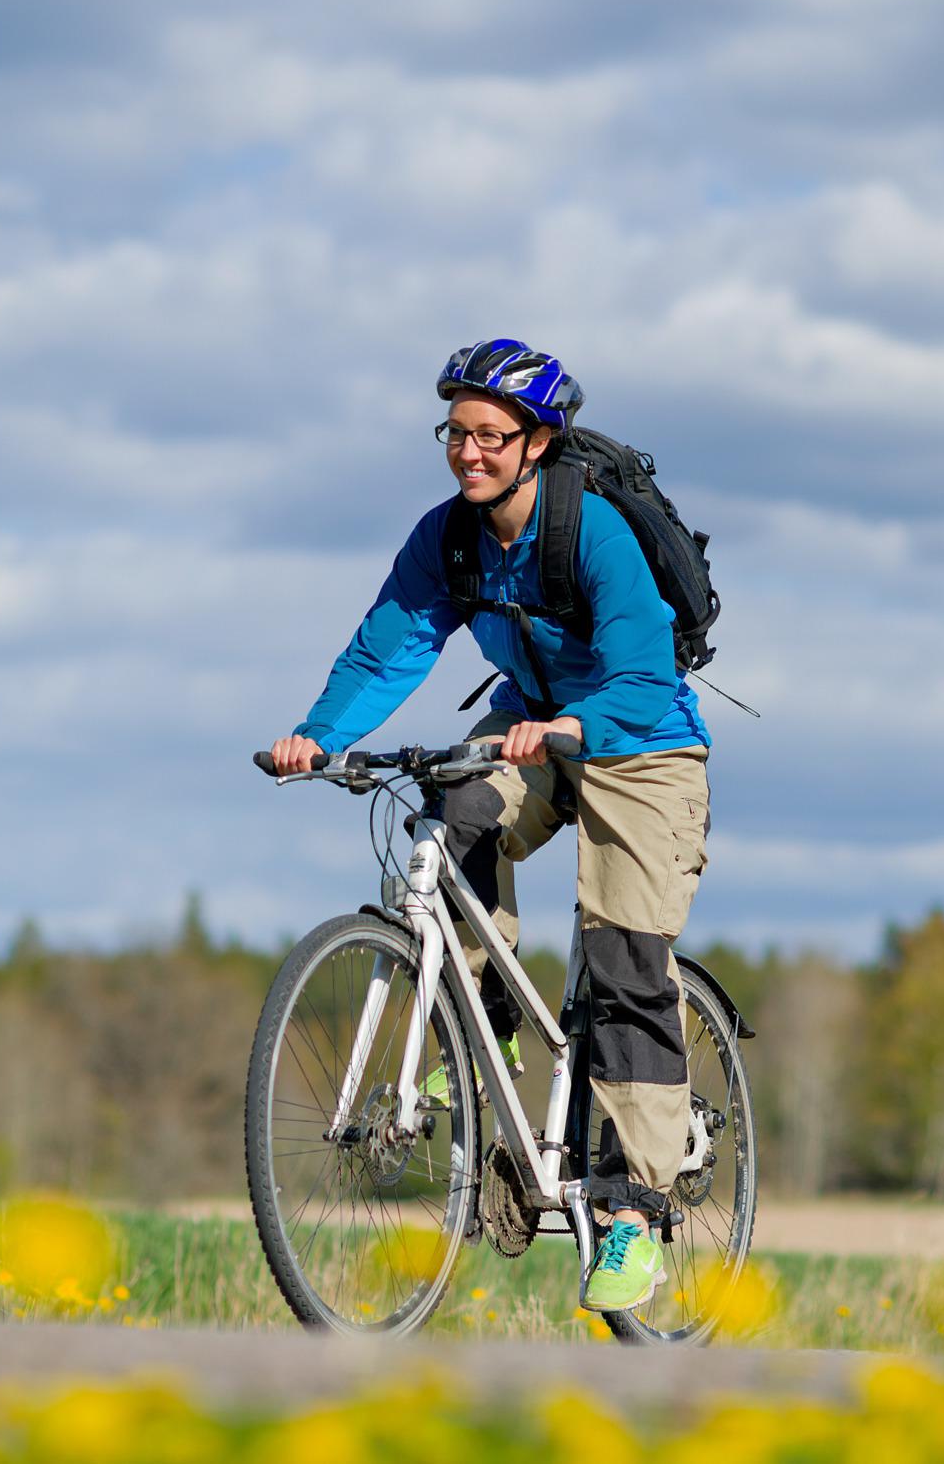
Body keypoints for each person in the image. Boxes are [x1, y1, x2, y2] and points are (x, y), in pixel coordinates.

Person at [267, 340, 712, 1312]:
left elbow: (641, 670)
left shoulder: (590, 532)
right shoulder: (449, 539)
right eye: (454, 434)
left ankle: (636, 1210)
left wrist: (569, 724)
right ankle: (489, 1046)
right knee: (453, 811)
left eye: (488, 436)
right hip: (530, 727)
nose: (467, 453)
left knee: (622, 951)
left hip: (640, 741)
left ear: (536, 441)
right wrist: (315, 735)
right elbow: (389, 646)